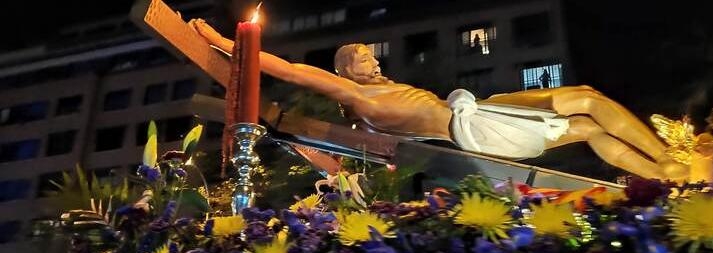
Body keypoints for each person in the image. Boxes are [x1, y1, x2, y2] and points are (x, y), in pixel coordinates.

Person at [191, 19, 685, 180]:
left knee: (590, 110)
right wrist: (231, 43)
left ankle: (667, 167)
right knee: (590, 109)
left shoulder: (378, 92)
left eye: (370, 54)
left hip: (475, 111)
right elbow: (293, 71)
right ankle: (669, 165)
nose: (371, 59)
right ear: (344, 71)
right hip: (473, 128)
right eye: (361, 57)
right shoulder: (356, 97)